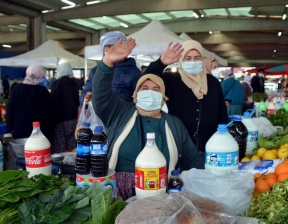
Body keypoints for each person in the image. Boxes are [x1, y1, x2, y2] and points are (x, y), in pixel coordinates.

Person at [92, 38, 204, 200]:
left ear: (163, 96)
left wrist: (211, 176)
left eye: (156, 89)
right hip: (116, 193)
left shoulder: (173, 123)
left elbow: (190, 157)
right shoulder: (119, 112)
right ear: (136, 94)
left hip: (159, 194)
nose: (149, 92)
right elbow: (101, 95)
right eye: (144, 88)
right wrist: (107, 62)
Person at [143, 40, 228, 153]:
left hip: (210, 147)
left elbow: (222, 114)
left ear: (202, 59)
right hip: (178, 146)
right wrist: (161, 62)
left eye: (197, 58)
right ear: (181, 59)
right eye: (188, 58)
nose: (192, 61)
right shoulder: (171, 79)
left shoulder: (212, 82)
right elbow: (146, 80)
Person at [80, 31, 141, 105]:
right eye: (108, 46)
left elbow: (139, 100)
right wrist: (85, 99)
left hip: (123, 115)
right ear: (103, 49)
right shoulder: (95, 71)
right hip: (99, 115)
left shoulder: (134, 72)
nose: (112, 50)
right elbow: (85, 94)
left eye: (116, 46)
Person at [7, 65, 53, 140]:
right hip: (40, 131)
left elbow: (10, 110)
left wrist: (10, 128)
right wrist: (50, 129)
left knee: (22, 150)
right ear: (40, 76)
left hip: (20, 129)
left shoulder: (17, 89)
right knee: (39, 151)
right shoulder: (44, 91)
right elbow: (51, 112)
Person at [50, 63, 80, 153]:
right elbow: (77, 101)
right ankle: (70, 165)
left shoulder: (57, 83)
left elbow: (53, 102)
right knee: (71, 145)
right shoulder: (74, 83)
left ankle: (61, 166)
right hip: (73, 119)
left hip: (60, 120)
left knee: (60, 146)